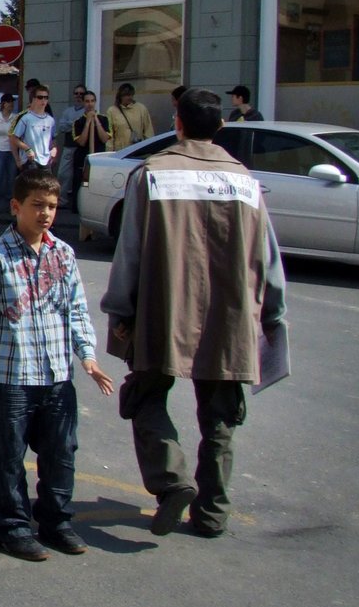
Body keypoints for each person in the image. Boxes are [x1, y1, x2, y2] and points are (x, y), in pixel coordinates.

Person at [101, 88, 287, 539]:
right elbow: (269, 259)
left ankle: (172, 480)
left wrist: (119, 308)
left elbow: (129, 251)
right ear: (220, 126)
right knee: (221, 414)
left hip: (163, 309)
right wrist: (272, 315)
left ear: (177, 124)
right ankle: (212, 511)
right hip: (231, 313)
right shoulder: (245, 181)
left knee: (144, 396)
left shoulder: (152, 174)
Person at [0, 168, 114, 560]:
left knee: (61, 454)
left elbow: (76, 311)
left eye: (51, 206)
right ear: (16, 207)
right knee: (9, 458)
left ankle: (56, 522)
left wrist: (88, 357)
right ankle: (12, 527)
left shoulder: (63, 254)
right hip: (11, 378)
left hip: (56, 377)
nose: (45, 213)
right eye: (37, 205)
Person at [70, 91, 111, 211]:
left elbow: (104, 138)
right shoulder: (78, 122)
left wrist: (96, 120)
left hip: (99, 159)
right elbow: (81, 141)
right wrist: (88, 122)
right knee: (81, 185)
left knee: (98, 184)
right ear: (83, 103)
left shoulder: (104, 119)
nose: (90, 104)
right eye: (87, 101)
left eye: (92, 101)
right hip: (82, 159)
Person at [9, 84, 57, 171]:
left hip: (46, 161)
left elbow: (53, 139)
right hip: (30, 160)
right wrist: (27, 149)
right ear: (34, 99)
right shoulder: (26, 118)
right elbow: (13, 138)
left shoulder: (50, 120)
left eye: (46, 97)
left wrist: (54, 149)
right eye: (40, 97)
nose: (43, 100)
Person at [56, 86, 88, 203]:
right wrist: (76, 124)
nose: (78, 96)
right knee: (63, 173)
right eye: (76, 93)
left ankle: (79, 201)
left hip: (82, 148)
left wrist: (71, 125)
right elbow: (61, 127)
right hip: (69, 146)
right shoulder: (67, 111)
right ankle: (62, 199)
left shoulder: (87, 111)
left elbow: (84, 127)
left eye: (81, 94)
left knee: (81, 175)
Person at [106, 83, 155, 150]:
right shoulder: (112, 111)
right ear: (120, 96)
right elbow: (110, 134)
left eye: (131, 95)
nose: (129, 97)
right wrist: (110, 151)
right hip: (120, 150)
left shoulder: (141, 108)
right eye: (127, 95)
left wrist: (150, 148)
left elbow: (148, 131)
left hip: (137, 149)